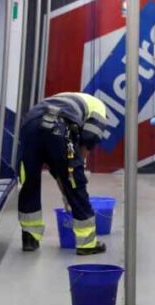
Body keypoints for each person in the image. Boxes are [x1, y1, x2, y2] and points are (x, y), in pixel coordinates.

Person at [17, 91, 108, 254]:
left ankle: (30, 238)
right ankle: (87, 244)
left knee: (30, 183)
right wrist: (73, 177)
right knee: (75, 183)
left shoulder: (64, 98)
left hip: (30, 125)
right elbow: (87, 140)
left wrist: (65, 191)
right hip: (59, 126)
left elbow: (57, 167)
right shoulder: (100, 109)